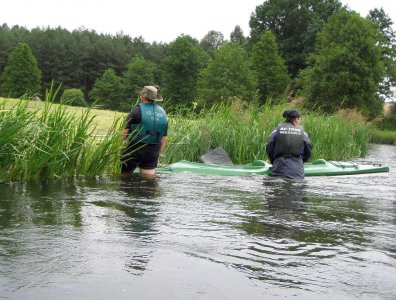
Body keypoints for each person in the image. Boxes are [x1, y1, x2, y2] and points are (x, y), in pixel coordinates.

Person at [121, 85, 168, 175]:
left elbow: (124, 132)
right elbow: (164, 138)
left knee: (125, 179)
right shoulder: (163, 113)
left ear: (143, 97)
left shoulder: (136, 110)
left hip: (135, 149)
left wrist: (116, 149)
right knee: (148, 182)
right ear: (155, 99)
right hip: (153, 152)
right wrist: (158, 155)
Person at [266, 109, 312, 179]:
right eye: (300, 119)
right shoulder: (303, 133)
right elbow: (308, 151)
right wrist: (301, 162)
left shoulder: (276, 131)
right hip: (296, 171)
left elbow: (269, 149)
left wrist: (274, 162)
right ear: (296, 119)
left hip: (278, 168)